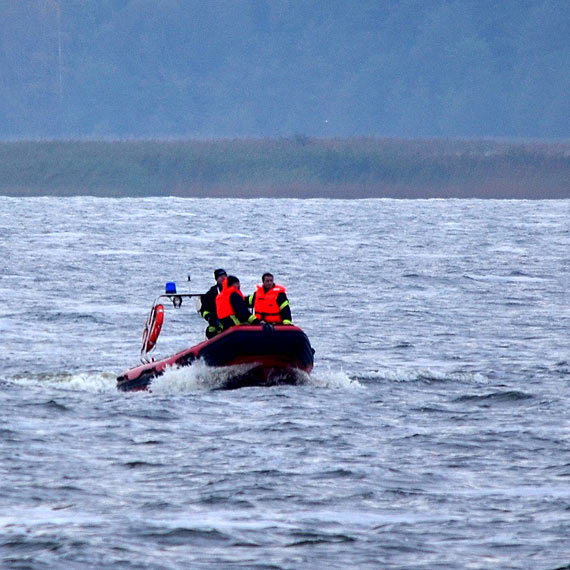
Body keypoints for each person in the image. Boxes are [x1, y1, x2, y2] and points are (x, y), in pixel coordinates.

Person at [200, 268, 226, 338]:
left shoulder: (232, 291)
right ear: (216, 279)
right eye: (221, 277)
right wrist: (209, 317)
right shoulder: (212, 293)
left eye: (224, 276)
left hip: (230, 323)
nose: (223, 278)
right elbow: (204, 309)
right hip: (216, 322)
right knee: (210, 331)